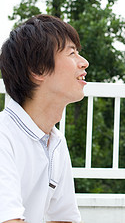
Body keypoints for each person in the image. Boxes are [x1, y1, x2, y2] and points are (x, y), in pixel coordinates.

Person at [0, 15, 88, 223]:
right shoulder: (3, 136)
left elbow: (63, 218)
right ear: (38, 69)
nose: (84, 63)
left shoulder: (55, 141)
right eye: (72, 53)